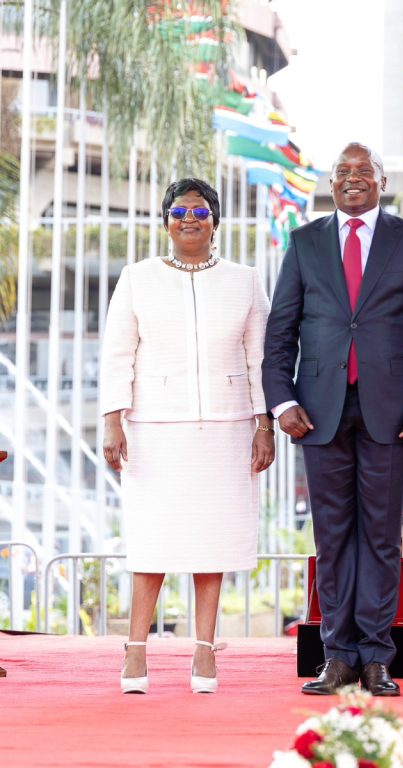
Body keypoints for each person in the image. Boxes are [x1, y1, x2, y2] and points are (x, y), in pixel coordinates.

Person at [263, 143, 403, 697]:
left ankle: (376, 658)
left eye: (363, 171)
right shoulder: (304, 242)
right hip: (316, 414)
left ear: (382, 180)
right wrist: (282, 401)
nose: (352, 179)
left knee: (382, 537)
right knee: (333, 536)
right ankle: (337, 657)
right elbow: (280, 335)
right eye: (342, 171)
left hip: (393, 415)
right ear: (331, 181)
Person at [101, 178, 274, 695]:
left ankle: (204, 648)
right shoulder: (138, 277)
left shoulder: (245, 281)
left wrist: (263, 423)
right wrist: (112, 418)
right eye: (178, 211)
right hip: (154, 427)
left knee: (212, 542)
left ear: (215, 220)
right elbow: (116, 353)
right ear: (166, 221)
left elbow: (260, 358)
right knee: (153, 540)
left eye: (199, 211)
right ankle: (136, 649)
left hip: (227, 426)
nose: (189, 219)